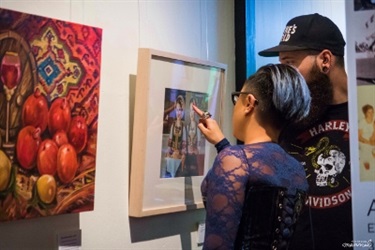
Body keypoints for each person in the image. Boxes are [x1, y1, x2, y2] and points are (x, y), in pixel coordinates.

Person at [258, 13, 352, 249]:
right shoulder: (286, 118)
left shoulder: (367, 113)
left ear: (325, 60)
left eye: (290, 63)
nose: (285, 76)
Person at [193, 64, 311, 249]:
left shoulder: (234, 160)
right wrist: (221, 144)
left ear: (249, 103)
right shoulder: (296, 169)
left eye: (236, 98)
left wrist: (226, 151)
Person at [358, 104, 375, 170]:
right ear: (365, 113)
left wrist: (373, 141)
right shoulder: (362, 122)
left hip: (373, 140)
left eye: (372, 112)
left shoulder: (374, 121)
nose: (371, 114)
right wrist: (368, 142)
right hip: (364, 142)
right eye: (369, 112)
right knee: (367, 161)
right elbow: (359, 137)